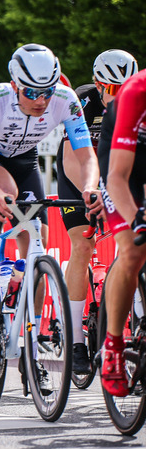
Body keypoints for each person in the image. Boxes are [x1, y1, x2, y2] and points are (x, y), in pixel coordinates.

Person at [0, 44, 102, 390]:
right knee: (3, 196)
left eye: (47, 91)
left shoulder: (66, 99)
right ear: (14, 85)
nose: (41, 100)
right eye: (32, 92)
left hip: (25, 161)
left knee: (35, 239)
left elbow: (86, 157)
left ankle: (30, 348)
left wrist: (89, 187)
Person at [59, 50, 138, 375]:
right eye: (111, 88)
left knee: (135, 244)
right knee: (83, 245)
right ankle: (76, 340)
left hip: (119, 174)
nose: (118, 96)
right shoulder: (84, 101)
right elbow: (69, 160)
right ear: (97, 84)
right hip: (80, 175)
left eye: (124, 87)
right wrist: (93, 195)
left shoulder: (136, 101)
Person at [100, 69, 146, 397]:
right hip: (122, 163)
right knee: (132, 248)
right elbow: (116, 177)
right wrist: (138, 220)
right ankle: (113, 347)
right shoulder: (136, 92)